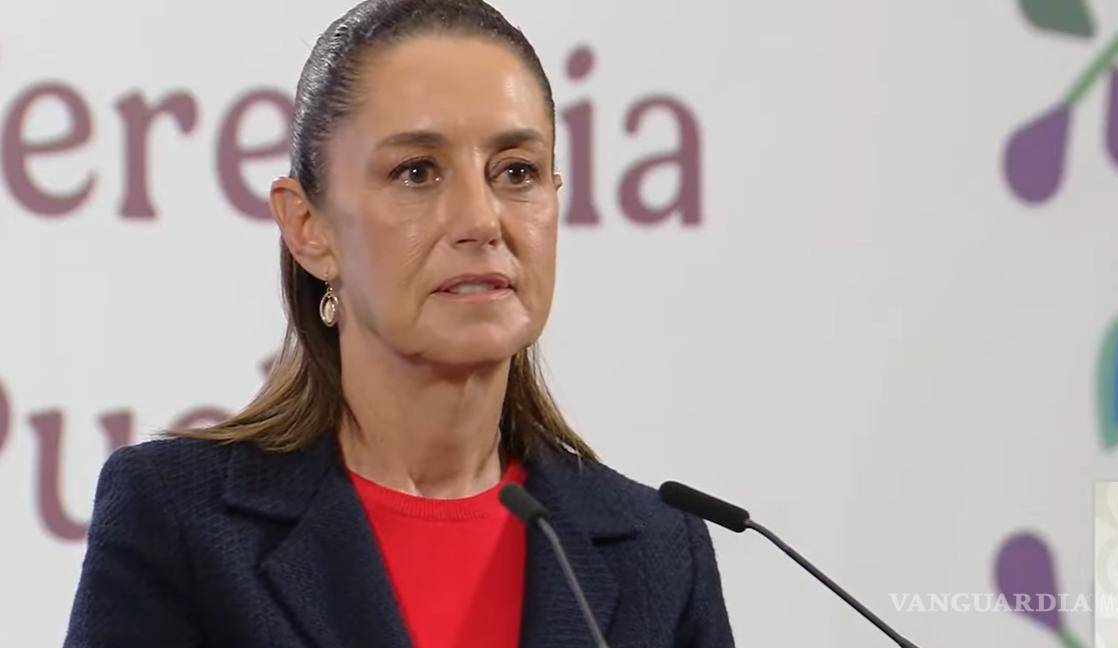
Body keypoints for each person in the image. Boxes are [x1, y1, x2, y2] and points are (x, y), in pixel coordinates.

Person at [64, 1, 734, 646]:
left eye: (516, 172)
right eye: (417, 172)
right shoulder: (178, 519)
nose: (481, 220)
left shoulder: (659, 552)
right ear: (308, 227)